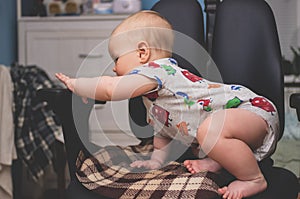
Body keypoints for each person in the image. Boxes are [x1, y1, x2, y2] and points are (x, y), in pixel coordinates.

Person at [56, 10, 279, 199]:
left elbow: (111, 89)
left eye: (117, 59)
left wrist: (79, 84)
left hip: (252, 110)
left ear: (142, 53)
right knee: (210, 132)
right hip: (239, 128)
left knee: (210, 130)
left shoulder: (157, 71)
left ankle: (253, 178)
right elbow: (164, 127)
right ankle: (217, 161)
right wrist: (156, 160)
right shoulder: (154, 96)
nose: (115, 68)